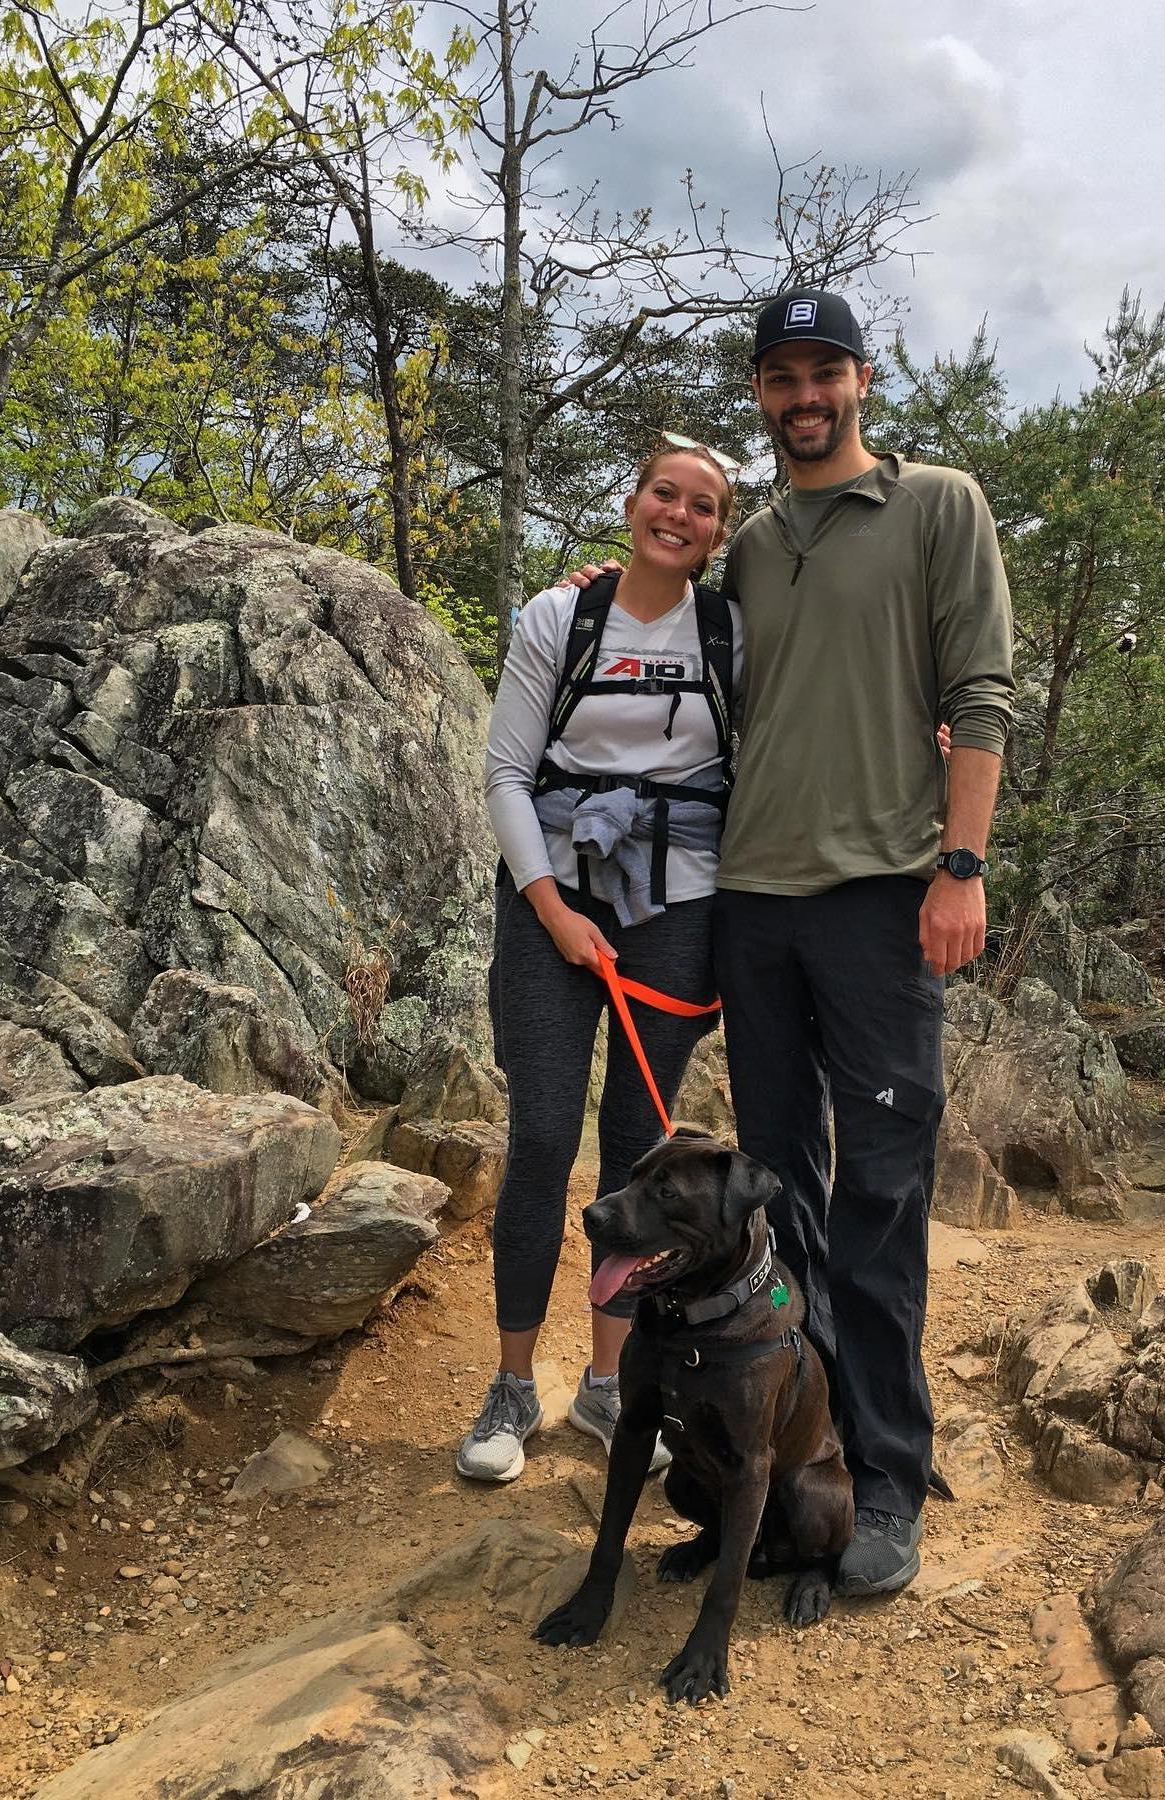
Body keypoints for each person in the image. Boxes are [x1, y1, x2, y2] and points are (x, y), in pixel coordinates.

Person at [566, 290, 1015, 1594]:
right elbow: (676, 629)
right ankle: (778, 1460)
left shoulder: (939, 507)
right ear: (761, 394)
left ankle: (883, 1477)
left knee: (879, 1198)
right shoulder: (752, 546)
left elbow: (978, 690)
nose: (803, 393)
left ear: (863, 381)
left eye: (825, 370)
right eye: (780, 375)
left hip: (885, 901)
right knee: (779, 1205)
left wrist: (962, 864)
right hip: (755, 910)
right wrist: (613, 589)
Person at [457, 441, 744, 1484]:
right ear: (632, 504)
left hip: (680, 899)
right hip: (552, 888)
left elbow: (795, 735)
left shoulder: (729, 634)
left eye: (703, 506)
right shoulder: (558, 618)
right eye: (665, 492)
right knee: (540, 1135)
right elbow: (503, 772)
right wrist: (550, 908)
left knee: (641, 1147)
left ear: (718, 535)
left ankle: (610, 1384)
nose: (679, 513)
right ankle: (514, 1384)